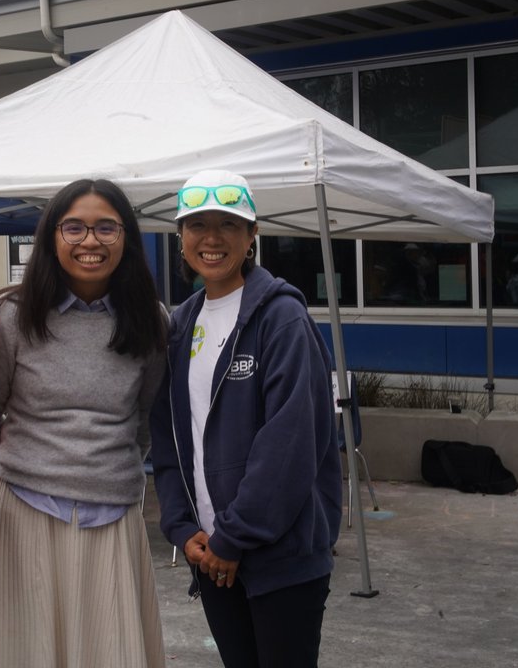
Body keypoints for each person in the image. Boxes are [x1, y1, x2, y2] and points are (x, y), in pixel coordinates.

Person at [149, 169, 342, 668]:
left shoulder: (282, 318)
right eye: (197, 225)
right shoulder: (180, 324)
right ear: (180, 236)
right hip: (210, 552)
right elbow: (171, 436)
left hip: (279, 557)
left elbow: (289, 445)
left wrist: (234, 537)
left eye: (228, 225)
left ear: (253, 234)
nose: (211, 239)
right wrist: (180, 523)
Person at [0, 178, 168, 668]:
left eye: (107, 227)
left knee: (112, 651)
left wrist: (103, 469)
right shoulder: (10, 315)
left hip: (114, 510)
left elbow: (144, 416)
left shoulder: (150, 319)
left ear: (126, 237)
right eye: (75, 228)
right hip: (24, 509)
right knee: (29, 651)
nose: (90, 241)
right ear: (51, 237)